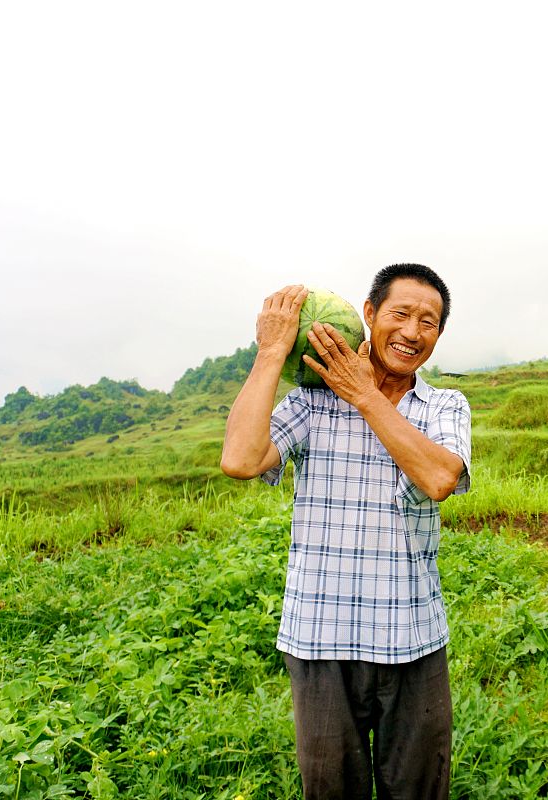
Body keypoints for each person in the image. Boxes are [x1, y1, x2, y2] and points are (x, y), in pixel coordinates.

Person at [220, 264, 471, 799]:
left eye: (428, 322)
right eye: (400, 314)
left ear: (438, 335)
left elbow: (439, 477)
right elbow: (241, 459)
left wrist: (365, 396)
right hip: (320, 642)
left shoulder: (445, 405)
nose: (411, 332)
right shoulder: (311, 403)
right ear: (370, 315)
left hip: (413, 638)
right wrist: (272, 351)